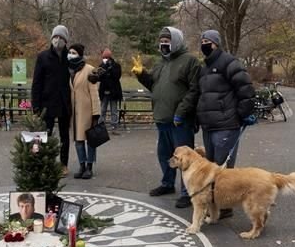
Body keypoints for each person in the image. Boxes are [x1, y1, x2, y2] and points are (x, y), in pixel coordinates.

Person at [133, 27, 200, 208]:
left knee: (185, 158)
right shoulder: (160, 63)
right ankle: (167, 184)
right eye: (161, 40)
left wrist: (181, 112)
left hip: (180, 120)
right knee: (164, 154)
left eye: (167, 40)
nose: (163, 43)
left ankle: (188, 191)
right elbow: (154, 86)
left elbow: (194, 90)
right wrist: (142, 75)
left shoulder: (189, 62)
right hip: (162, 117)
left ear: (176, 41)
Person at [196, 30, 257, 217]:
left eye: (208, 41)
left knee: (223, 170)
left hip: (226, 125)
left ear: (216, 43)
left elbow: (245, 89)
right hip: (209, 125)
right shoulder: (204, 67)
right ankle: (215, 205)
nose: (204, 44)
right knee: (212, 169)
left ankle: (227, 205)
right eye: (202, 41)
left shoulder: (229, 62)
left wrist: (240, 115)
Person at [32, 25, 73, 177]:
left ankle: (63, 164)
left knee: (64, 136)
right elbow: (37, 82)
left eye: (61, 38)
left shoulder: (70, 58)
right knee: (45, 134)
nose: (58, 40)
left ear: (65, 40)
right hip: (46, 102)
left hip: (64, 102)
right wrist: (35, 105)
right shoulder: (43, 57)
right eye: (55, 37)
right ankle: (46, 163)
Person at [68, 43, 102, 179]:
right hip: (74, 111)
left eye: (73, 52)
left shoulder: (89, 70)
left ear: (80, 54)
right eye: (69, 52)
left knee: (90, 139)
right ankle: (81, 165)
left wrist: (96, 113)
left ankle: (89, 166)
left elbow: (94, 93)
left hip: (86, 110)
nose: (70, 54)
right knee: (78, 140)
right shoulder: (69, 70)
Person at [96, 49, 123, 133]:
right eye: (104, 57)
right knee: (102, 110)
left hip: (113, 92)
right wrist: (102, 71)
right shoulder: (101, 65)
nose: (105, 59)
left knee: (114, 110)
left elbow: (117, 76)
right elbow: (99, 78)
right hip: (104, 91)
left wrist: (110, 69)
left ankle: (114, 127)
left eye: (106, 58)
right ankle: (100, 126)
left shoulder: (116, 65)